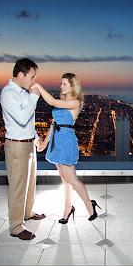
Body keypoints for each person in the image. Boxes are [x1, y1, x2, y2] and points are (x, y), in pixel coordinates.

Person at [31, 73, 100, 223]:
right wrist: (43, 143)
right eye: (61, 83)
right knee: (64, 179)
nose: (61, 86)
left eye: (64, 84)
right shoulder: (63, 100)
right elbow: (54, 124)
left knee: (72, 179)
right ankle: (68, 209)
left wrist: (38, 86)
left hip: (66, 141)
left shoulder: (75, 102)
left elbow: (51, 101)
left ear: (72, 86)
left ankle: (90, 205)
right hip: (57, 140)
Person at [0, 58, 46, 241]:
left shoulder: (23, 92)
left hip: (27, 143)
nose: (33, 81)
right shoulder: (8, 93)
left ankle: (27, 212)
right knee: (18, 186)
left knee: (29, 183)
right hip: (16, 146)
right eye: (32, 77)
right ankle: (16, 226)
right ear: (21, 74)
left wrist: (35, 138)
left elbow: (28, 123)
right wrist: (34, 96)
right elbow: (21, 117)